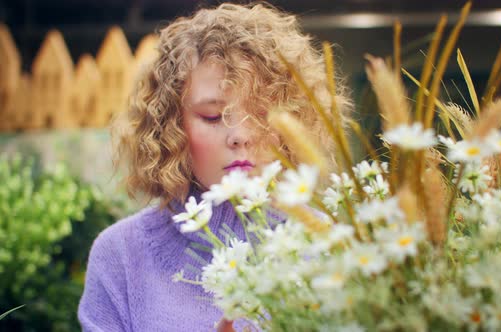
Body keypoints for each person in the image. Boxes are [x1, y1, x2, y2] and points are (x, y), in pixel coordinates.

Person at [78, 2, 351, 331]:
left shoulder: (332, 248)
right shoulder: (121, 256)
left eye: (262, 114)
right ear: (170, 127)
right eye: (212, 116)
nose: (240, 136)